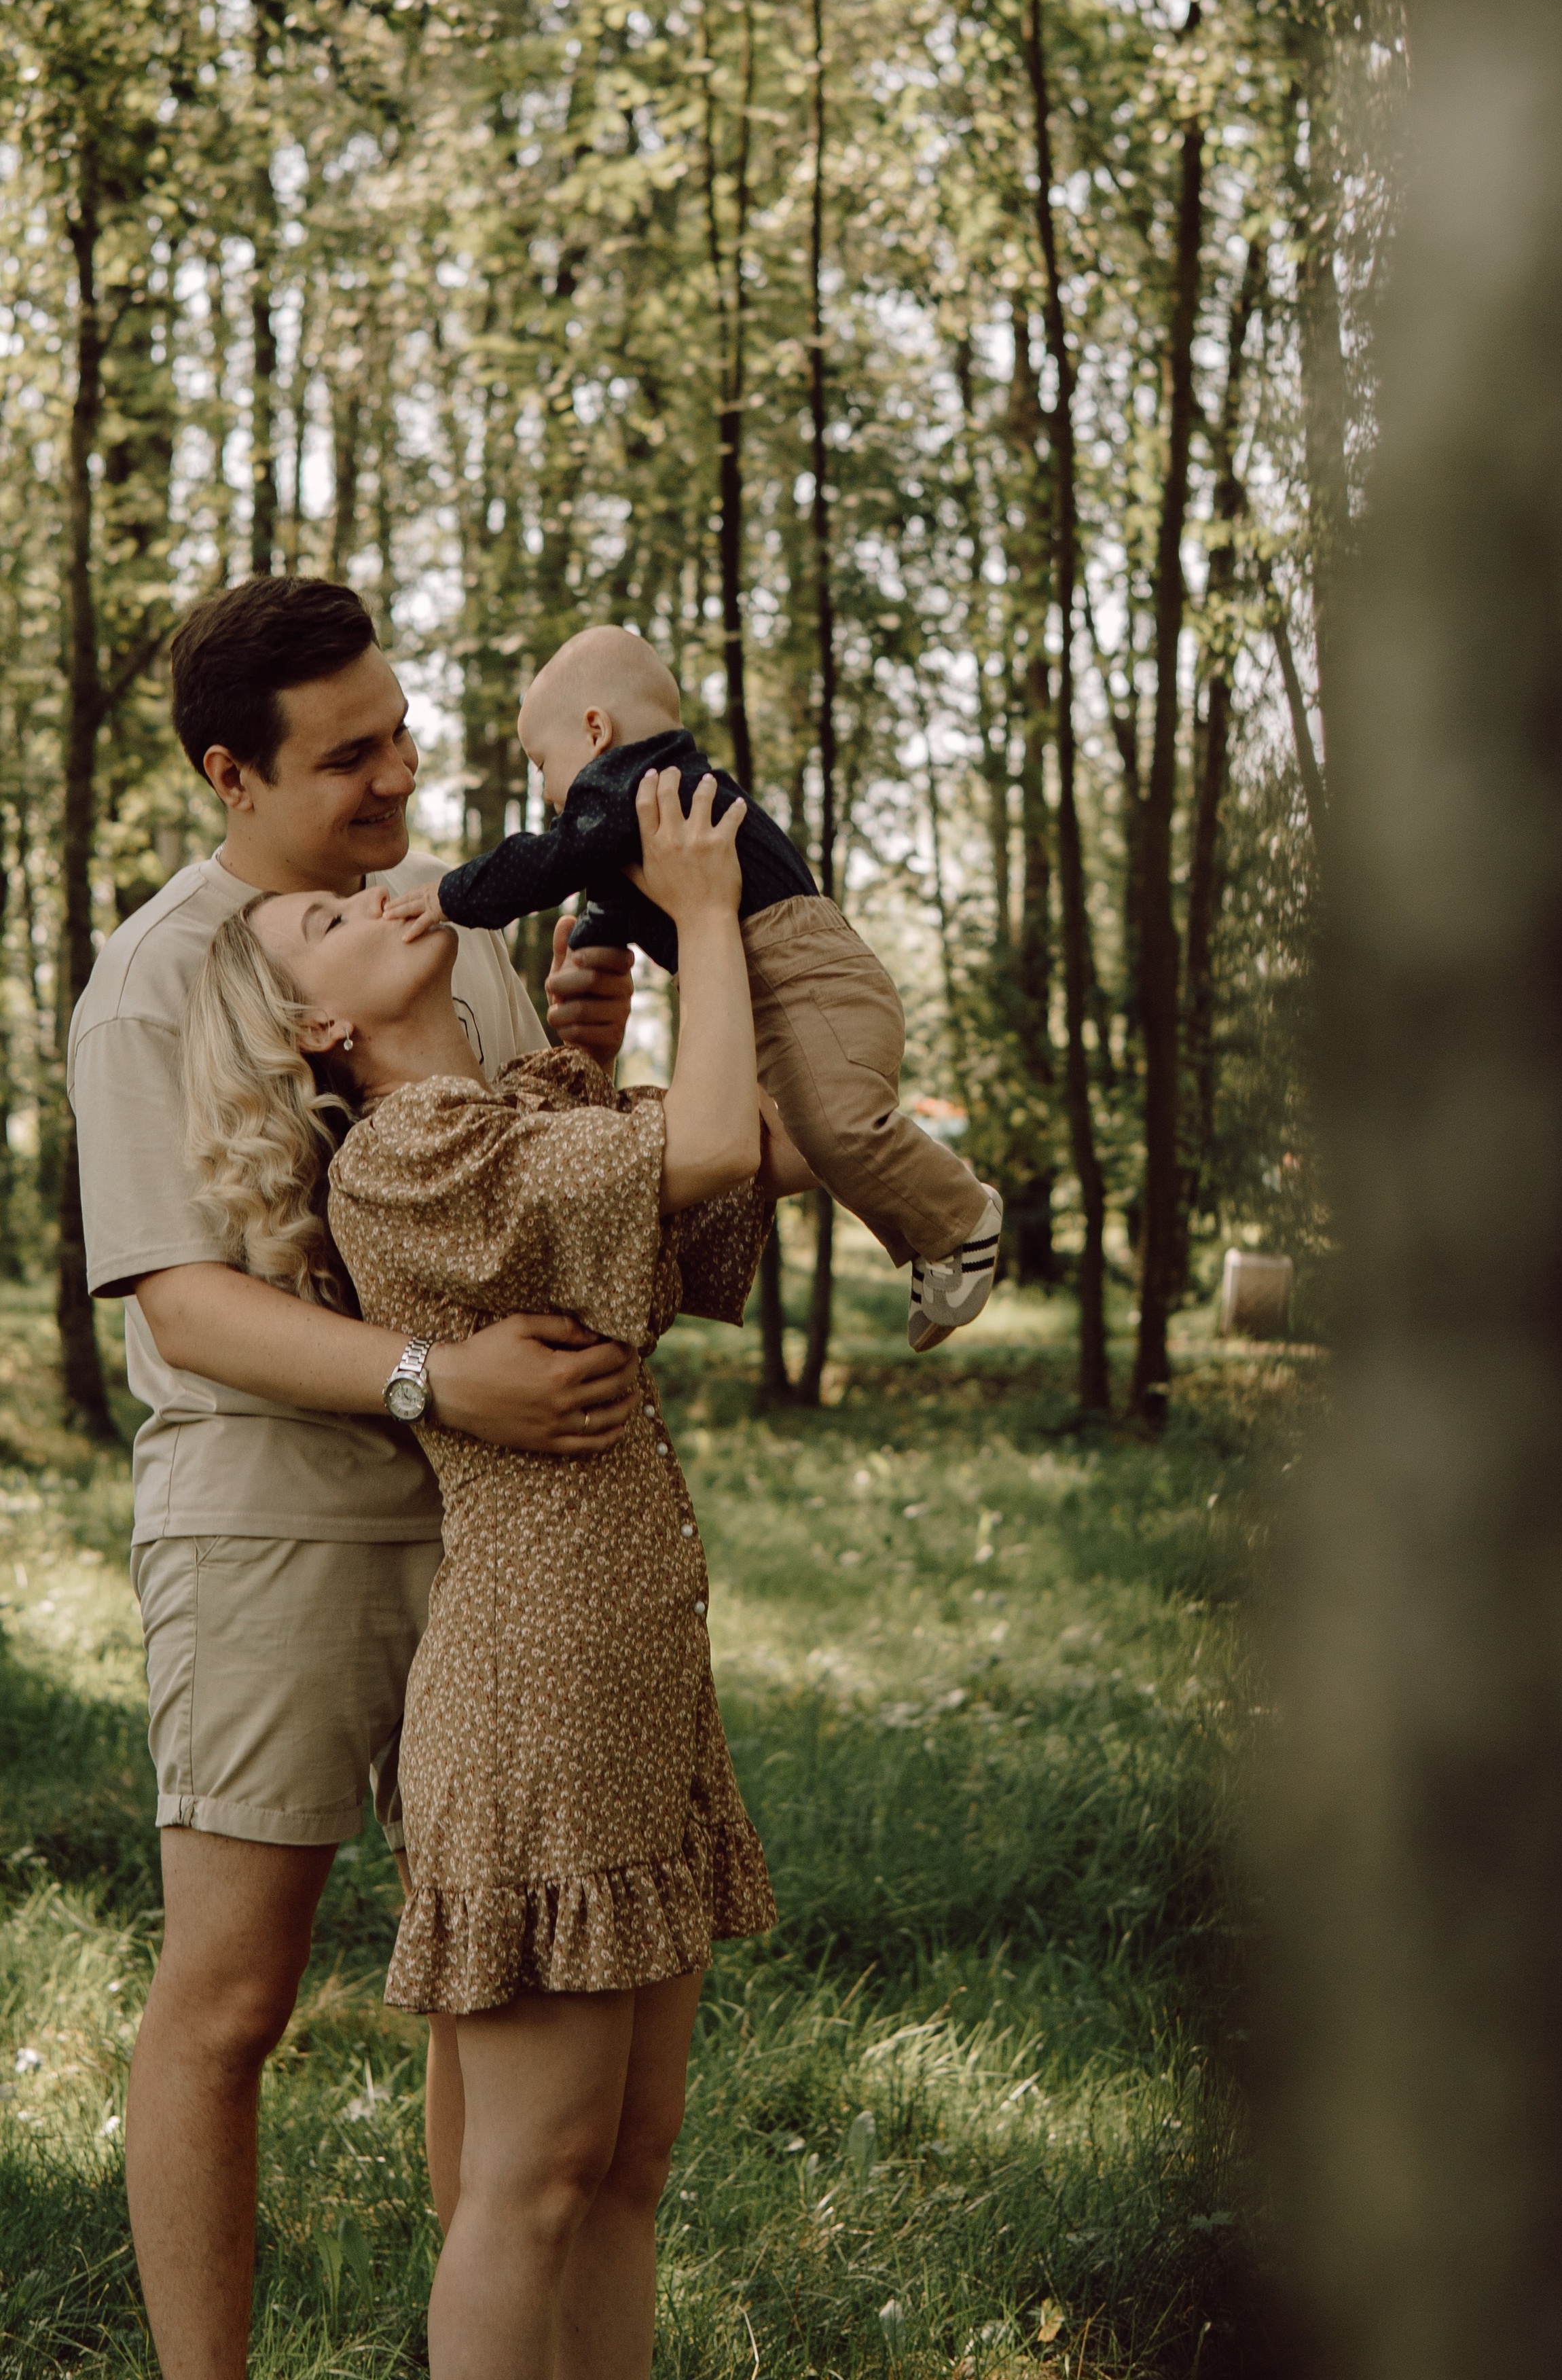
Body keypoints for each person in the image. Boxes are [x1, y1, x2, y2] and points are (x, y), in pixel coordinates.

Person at [64, 575, 640, 2380]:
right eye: (348, 756)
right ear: (231, 773)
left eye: (402, 732)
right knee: (233, 2001)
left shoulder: (437, 925)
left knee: (495, 1974)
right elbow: (189, 1303)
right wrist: (427, 1378)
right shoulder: (155, 980)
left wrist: (589, 1063)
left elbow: (492, 1175)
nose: (399, 777)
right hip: (270, 1526)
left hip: (497, 1525)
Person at [183, 763, 820, 2380]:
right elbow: (702, 1152)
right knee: (528, 2183)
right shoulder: (401, 1157)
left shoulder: (528, 1103)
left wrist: (624, 1032)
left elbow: (751, 1163)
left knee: (624, 2170)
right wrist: (697, 911)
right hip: (531, 1708)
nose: (391, 889)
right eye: (333, 917)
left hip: (631, 1686)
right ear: (319, 1026)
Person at [387, 623, 1004, 1350]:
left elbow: (554, 858)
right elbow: (611, 902)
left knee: (839, 1127)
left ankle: (963, 1223)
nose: (547, 791)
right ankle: (935, 1243)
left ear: (595, 732)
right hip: (788, 992)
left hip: (810, 981)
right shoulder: (652, 814)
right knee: (817, 1134)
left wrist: (456, 895)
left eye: (541, 764)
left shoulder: (646, 784)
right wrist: (590, 949)